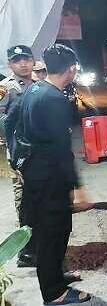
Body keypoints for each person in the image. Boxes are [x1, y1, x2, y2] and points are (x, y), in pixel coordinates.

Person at [20, 44, 92, 304]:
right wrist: (78, 186)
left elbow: (13, 125)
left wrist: (20, 164)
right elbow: (62, 150)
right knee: (54, 232)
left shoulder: (33, 89)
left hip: (35, 172)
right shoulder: (54, 99)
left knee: (52, 230)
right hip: (50, 177)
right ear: (71, 69)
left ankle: (56, 276)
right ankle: (54, 292)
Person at [0, 45, 35, 267]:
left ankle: (38, 244)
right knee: (24, 203)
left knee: (39, 202)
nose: (23, 63)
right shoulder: (5, 88)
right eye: (17, 60)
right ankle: (25, 252)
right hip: (17, 155)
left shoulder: (39, 84)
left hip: (38, 154)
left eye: (26, 59)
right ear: (9, 64)